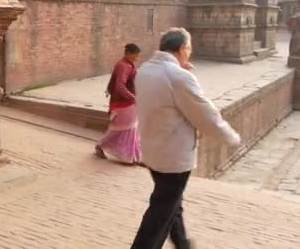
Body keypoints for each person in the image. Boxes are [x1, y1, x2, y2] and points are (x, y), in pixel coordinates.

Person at [131, 28, 241, 249]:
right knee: (161, 211)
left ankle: (182, 243)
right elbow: (204, 114)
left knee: (171, 203)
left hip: (154, 151)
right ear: (182, 49)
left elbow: (168, 97)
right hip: (174, 157)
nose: (189, 53)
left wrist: (181, 72)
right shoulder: (178, 76)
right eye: (189, 48)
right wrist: (230, 137)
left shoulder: (145, 70)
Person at [94, 43, 142, 165]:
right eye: (135, 56)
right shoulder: (123, 66)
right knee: (120, 128)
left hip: (128, 102)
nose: (137, 58)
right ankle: (100, 146)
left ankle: (133, 156)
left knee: (131, 128)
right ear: (128, 54)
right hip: (123, 103)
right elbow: (120, 86)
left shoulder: (128, 64)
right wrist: (132, 97)